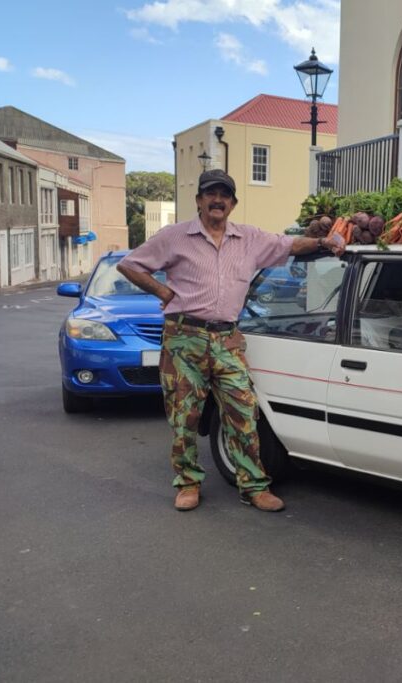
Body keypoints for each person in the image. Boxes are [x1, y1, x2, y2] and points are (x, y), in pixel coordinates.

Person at [117, 169, 345, 512]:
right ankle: (188, 483)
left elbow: (289, 244)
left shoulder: (250, 239)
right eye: (211, 194)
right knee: (184, 416)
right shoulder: (174, 237)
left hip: (227, 339)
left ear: (233, 203)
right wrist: (164, 291)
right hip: (185, 338)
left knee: (243, 411)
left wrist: (324, 243)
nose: (217, 200)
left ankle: (253, 485)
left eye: (224, 195)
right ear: (199, 201)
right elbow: (130, 265)